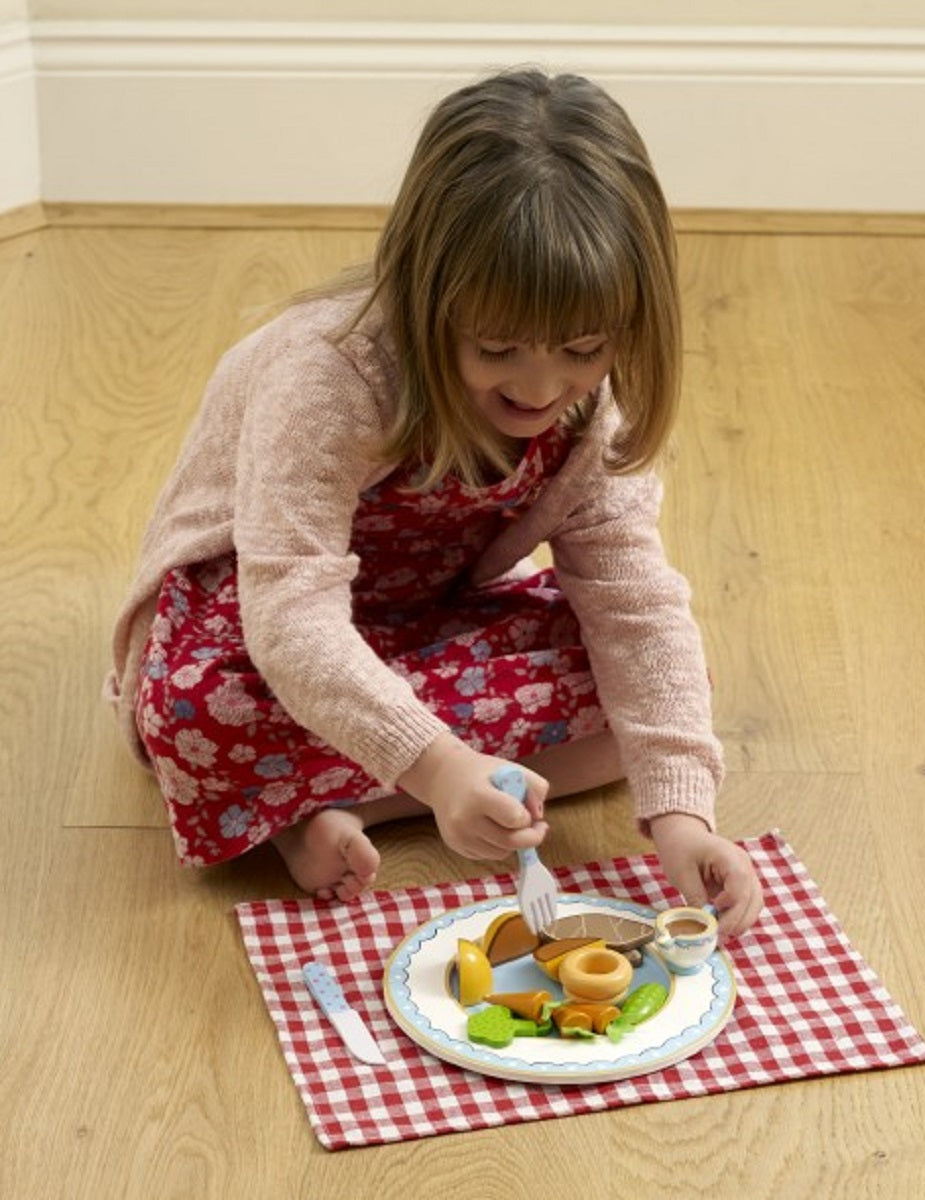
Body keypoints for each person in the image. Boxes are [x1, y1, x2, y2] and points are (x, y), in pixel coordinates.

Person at [105, 68, 763, 936]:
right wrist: (438, 760)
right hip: (255, 626)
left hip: (420, 621)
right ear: (426, 298)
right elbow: (291, 615)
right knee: (194, 717)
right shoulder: (329, 377)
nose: (541, 385)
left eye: (581, 347)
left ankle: (344, 806)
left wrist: (681, 818)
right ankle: (383, 790)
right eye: (496, 348)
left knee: (659, 696)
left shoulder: (590, 416)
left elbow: (633, 605)